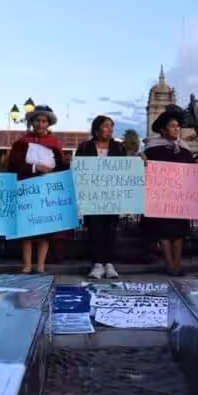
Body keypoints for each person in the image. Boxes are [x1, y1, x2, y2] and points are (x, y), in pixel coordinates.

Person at [8, 105, 67, 274]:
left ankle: (40, 265)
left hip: (48, 191)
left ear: (48, 124)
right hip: (27, 189)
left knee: (45, 230)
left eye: (44, 121)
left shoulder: (55, 144)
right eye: (37, 120)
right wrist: (35, 168)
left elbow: (61, 167)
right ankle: (27, 264)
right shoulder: (22, 143)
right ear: (32, 122)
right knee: (27, 230)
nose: (41, 124)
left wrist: (53, 172)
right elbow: (15, 164)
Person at [141, 105, 196, 276]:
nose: (176, 129)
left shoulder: (185, 148)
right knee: (164, 232)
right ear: (164, 130)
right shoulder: (152, 149)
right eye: (172, 126)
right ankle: (170, 265)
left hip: (180, 197)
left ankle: (177, 264)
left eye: (178, 126)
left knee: (179, 232)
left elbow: (191, 169)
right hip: (161, 197)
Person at [75, 115, 126, 279]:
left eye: (112, 126)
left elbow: (126, 169)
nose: (110, 129)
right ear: (96, 129)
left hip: (112, 196)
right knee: (95, 228)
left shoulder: (119, 148)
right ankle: (97, 263)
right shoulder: (85, 147)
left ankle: (109, 263)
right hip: (92, 196)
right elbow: (78, 170)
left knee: (110, 229)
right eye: (106, 126)